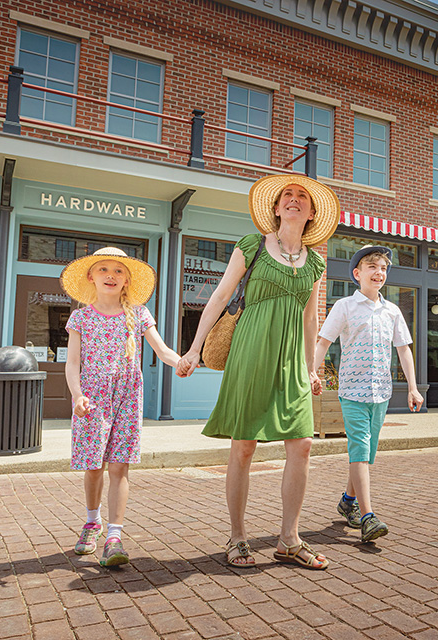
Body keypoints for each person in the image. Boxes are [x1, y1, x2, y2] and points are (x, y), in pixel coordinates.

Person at [177, 174, 340, 570]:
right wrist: (194, 348)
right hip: (251, 349)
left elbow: (309, 316)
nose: (294, 200)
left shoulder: (316, 260)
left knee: (302, 444)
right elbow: (219, 295)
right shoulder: (252, 245)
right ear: (276, 206)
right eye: (288, 195)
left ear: (312, 211)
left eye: (302, 197)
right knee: (244, 446)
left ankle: (289, 538)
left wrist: (311, 367)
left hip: (290, 360)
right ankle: (237, 537)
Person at [62, 247, 185, 567]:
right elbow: (72, 363)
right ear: (91, 277)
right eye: (103, 270)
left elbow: (162, 351)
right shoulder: (81, 317)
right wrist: (77, 395)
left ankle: (114, 536)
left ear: (127, 280)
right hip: (91, 399)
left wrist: (182, 362)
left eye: (118, 271)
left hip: (128, 397)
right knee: (93, 467)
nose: (110, 276)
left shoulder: (140, 314)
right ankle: (92, 522)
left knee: (119, 466)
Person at [313, 245, 423, 542]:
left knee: (365, 454)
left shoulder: (392, 311)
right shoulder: (345, 306)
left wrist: (412, 387)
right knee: (359, 450)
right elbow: (323, 341)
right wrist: (312, 371)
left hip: (381, 392)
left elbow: (403, 350)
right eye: (373, 266)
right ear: (357, 274)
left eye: (384, 268)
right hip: (352, 391)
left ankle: (347, 502)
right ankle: (368, 517)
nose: (379, 272)